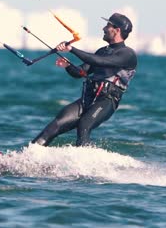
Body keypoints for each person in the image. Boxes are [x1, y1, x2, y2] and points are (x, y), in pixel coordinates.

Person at [31, 13, 137, 146]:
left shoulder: (128, 54)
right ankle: (28, 155)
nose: (103, 29)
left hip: (107, 101)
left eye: (107, 26)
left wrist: (71, 49)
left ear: (117, 30)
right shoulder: (102, 51)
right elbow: (81, 72)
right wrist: (68, 66)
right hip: (88, 98)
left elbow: (101, 62)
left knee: (84, 124)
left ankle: (83, 163)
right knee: (56, 124)